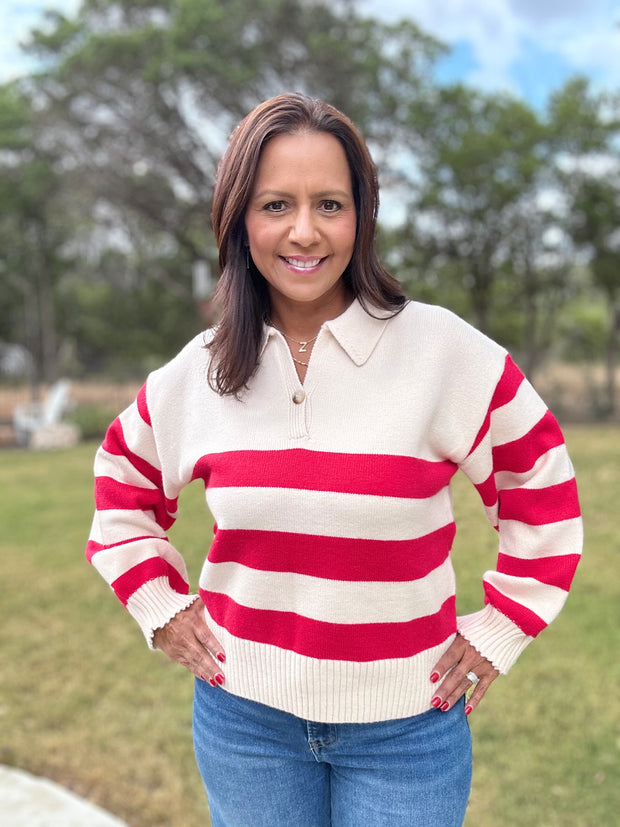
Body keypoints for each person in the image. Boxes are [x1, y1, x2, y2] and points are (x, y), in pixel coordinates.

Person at [86, 93, 583, 826]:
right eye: (276, 204)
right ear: (239, 220)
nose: (304, 231)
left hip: (406, 731)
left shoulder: (443, 352)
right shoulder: (200, 371)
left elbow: (540, 481)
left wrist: (503, 624)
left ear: (362, 216)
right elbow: (121, 485)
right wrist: (161, 606)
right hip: (244, 725)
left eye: (330, 204)